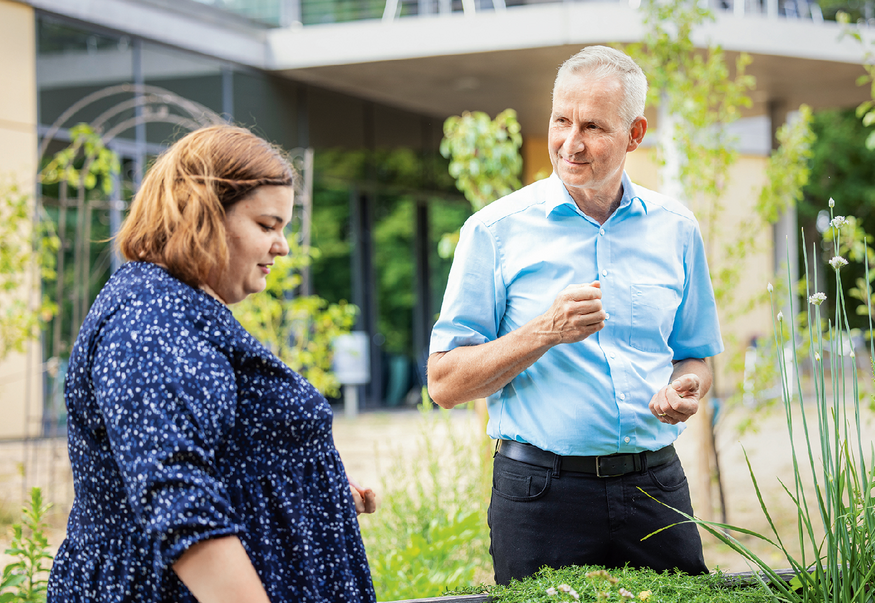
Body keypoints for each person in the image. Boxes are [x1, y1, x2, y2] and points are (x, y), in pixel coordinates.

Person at [427, 46, 724, 584]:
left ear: (635, 134)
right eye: (561, 120)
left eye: (593, 126)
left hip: (656, 487)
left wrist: (686, 387)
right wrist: (544, 331)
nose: (571, 142)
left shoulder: (677, 228)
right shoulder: (493, 231)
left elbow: (696, 357)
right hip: (540, 495)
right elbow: (444, 383)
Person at [48, 124, 378, 603]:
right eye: (267, 226)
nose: (281, 246)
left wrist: (306, 487)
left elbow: (209, 452)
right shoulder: (150, 324)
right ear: (199, 215)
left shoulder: (181, 308)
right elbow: (180, 505)